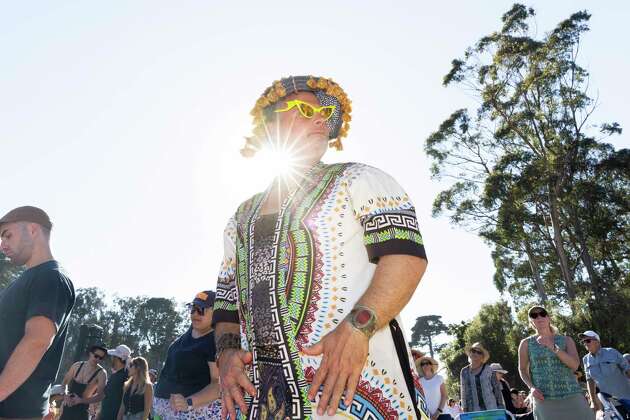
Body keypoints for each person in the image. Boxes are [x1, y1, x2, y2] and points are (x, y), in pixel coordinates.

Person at [213, 75, 429, 419]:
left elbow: (405, 258)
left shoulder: (360, 180)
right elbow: (225, 303)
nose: (318, 118)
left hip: (357, 390)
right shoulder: (240, 217)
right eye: (302, 108)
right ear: (269, 125)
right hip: (258, 401)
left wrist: (358, 328)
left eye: (323, 114)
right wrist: (225, 355)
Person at [0, 206, 76, 418]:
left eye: (8, 235)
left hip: (14, 412)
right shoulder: (27, 280)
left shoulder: (51, 277)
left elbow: (37, 340)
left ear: (33, 230)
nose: (2, 244)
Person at [517, 305, 594, 419]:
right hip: (544, 400)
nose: (539, 317)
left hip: (572, 396)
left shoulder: (566, 340)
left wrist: (553, 347)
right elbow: (522, 369)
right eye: (534, 315)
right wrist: (531, 388)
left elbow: (575, 366)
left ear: (549, 318)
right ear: (531, 321)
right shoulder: (526, 343)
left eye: (542, 314)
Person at [153, 291, 220, 419]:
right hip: (163, 411)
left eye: (201, 309)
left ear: (215, 312)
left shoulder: (214, 341)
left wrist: (188, 402)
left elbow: (218, 384)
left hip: (191, 413)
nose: (195, 313)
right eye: (192, 308)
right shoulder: (186, 335)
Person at [579, 330, 630, 416]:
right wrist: (593, 401)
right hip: (611, 404)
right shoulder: (585, 360)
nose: (585, 344)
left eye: (588, 341)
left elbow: (628, 369)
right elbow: (590, 380)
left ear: (597, 341)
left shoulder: (611, 352)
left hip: (626, 396)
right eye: (583, 342)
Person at [60, 344, 108, 420]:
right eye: (96, 356)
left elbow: (101, 396)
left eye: (101, 358)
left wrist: (81, 400)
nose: (97, 359)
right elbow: (64, 383)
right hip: (68, 406)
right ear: (90, 353)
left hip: (82, 410)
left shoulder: (101, 373)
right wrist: (65, 396)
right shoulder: (76, 365)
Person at [459, 342, 504, 412]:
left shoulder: (489, 369)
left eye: (479, 352)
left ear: (482, 356)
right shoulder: (464, 371)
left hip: (491, 409)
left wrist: (501, 408)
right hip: (473, 411)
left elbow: (497, 390)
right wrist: (464, 408)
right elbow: (463, 392)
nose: (475, 353)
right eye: (473, 351)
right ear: (470, 353)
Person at [99, 344, 132, 420]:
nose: (112, 359)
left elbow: (124, 402)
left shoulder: (125, 376)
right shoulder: (116, 375)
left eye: (113, 357)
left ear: (118, 358)